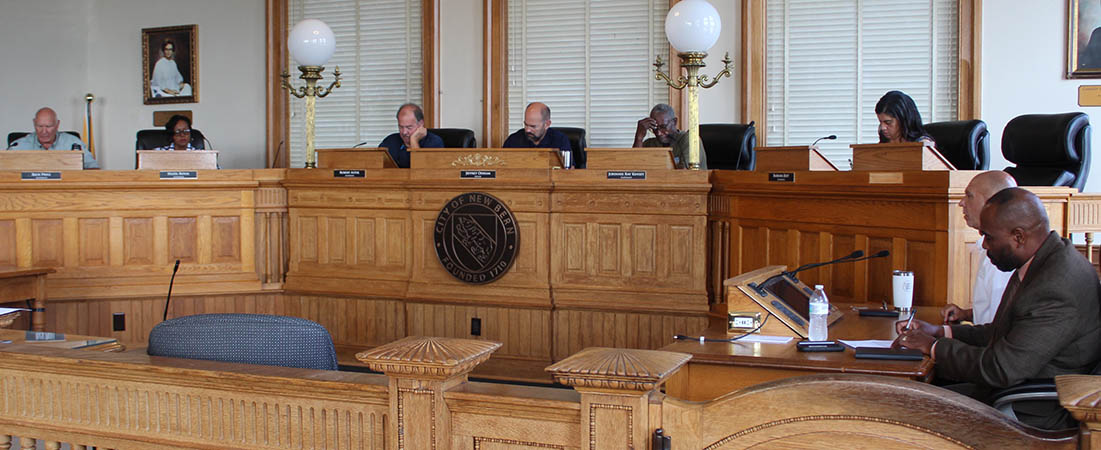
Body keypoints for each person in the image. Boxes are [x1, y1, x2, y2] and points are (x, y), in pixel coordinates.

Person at [895, 188, 1101, 429]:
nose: (984, 244)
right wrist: (941, 332)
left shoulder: (1056, 287)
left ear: (1018, 237)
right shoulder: (1045, 258)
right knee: (912, 394)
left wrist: (932, 346)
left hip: (1032, 409)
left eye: (989, 237)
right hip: (1017, 388)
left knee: (904, 413)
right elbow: (1006, 332)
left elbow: (1001, 368)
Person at [941, 171, 1017, 325]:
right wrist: (966, 314)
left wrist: (940, 339)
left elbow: (998, 329)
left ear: (991, 203)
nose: (961, 203)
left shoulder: (1005, 253)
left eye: (969, 196)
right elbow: (993, 313)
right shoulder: (989, 244)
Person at [8, 107, 98, 169]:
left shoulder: (72, 143)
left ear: (57, 124)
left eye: (48, 126)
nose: (44, 131)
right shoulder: (19, 145)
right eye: (39, 126)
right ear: (34, 123)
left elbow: (93, 168)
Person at [632, 103, 707, 170]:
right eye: (654, 128)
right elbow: (635, 170)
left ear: (674, 122)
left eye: (663, 127)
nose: (658, 133)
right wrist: (639, 138)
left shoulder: (690, 140)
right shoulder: (649, 144)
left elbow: (685, 175)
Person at [502, 102, 573, 168]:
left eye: (533, 126)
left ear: (547, 124)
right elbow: (502, 168)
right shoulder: (513, 140)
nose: (527, 130)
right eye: (526, 125)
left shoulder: (560, 140)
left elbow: (568, 171)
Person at [378, 103, 443, 168]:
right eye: (401, 127)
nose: (404, 132)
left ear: (421, 124)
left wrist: (414, 141)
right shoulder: (390, 141)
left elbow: (421, 172)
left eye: (409, 127)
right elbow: (376, 164)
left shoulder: (434, 142)